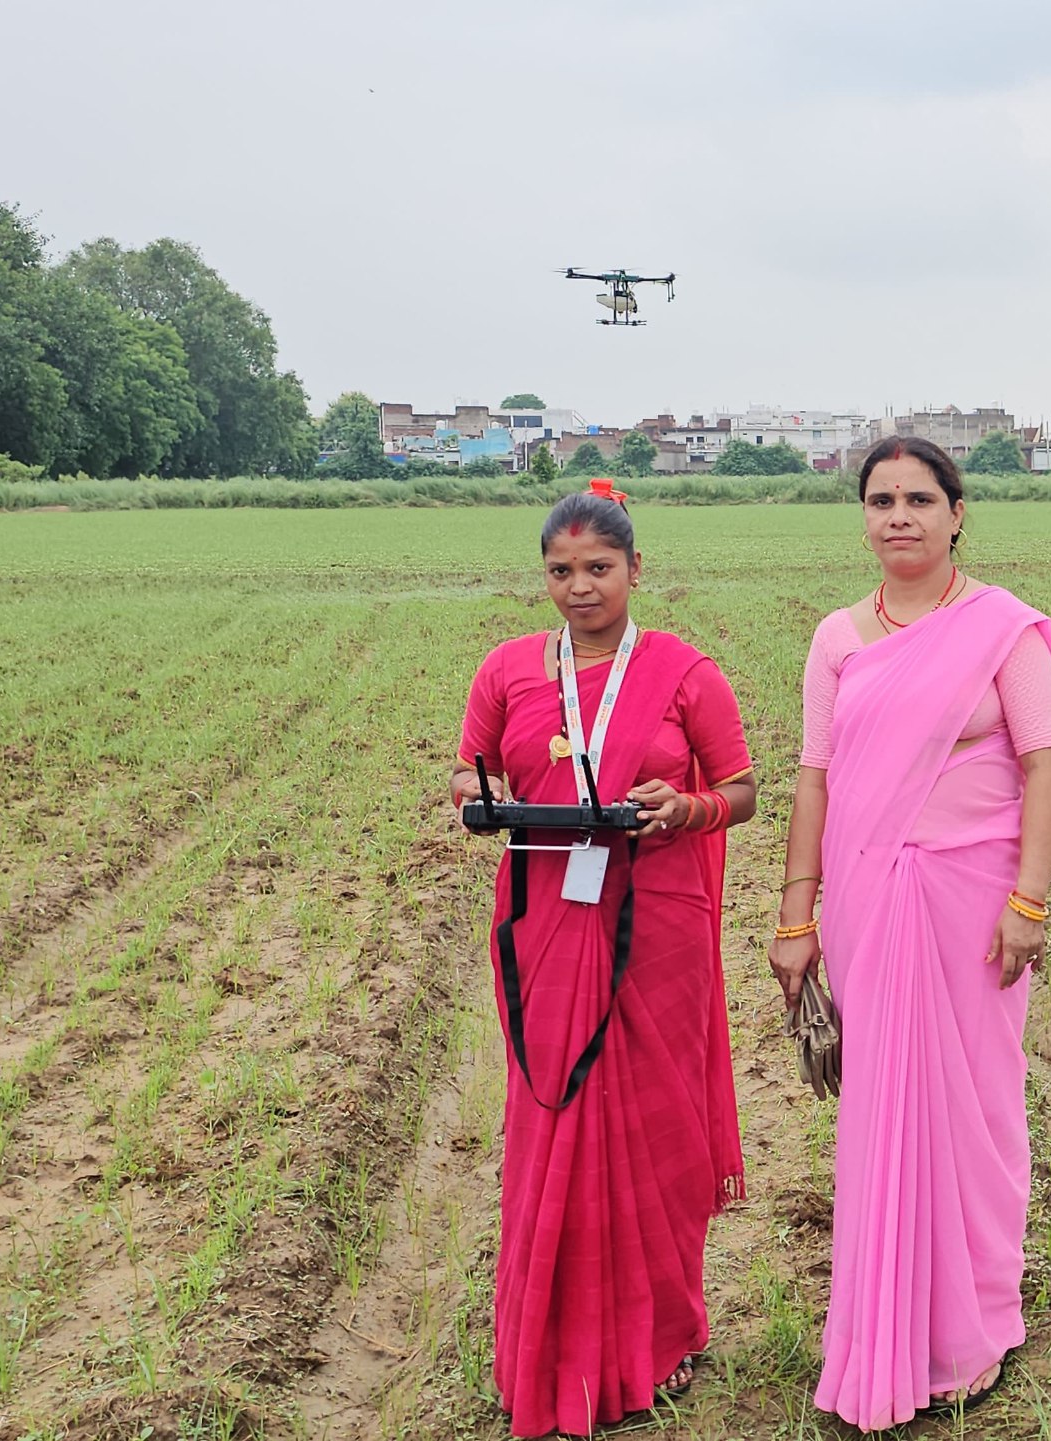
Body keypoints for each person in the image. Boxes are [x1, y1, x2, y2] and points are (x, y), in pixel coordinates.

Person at [450, 481, 758, 1438]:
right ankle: (550, 1343)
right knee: (556, 1114)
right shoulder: (507, 669)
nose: (578, 587)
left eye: (597, 568)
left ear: (635, 570)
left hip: (656, 924)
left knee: (655, 1121)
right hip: (547, 920)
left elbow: (743, 791)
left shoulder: (683, 672)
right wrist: (476, 795)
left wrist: (688, 808)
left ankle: (662, 1336)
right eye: (560, 571)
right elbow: (471, 766)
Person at [770, 435, 1051, 1433]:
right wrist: (793, 915)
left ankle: (973, 1329)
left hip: (975, 909)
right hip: (866, 904)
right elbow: (813, 779)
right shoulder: (837, 639)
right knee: (879, 1117)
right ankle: (880, 1331)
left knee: (976, 1110)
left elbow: (1044, 770)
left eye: (919, 499)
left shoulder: (1003, 630)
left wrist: (1028, 903)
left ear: (956, 512)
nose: (899, 516)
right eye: (880, 500)